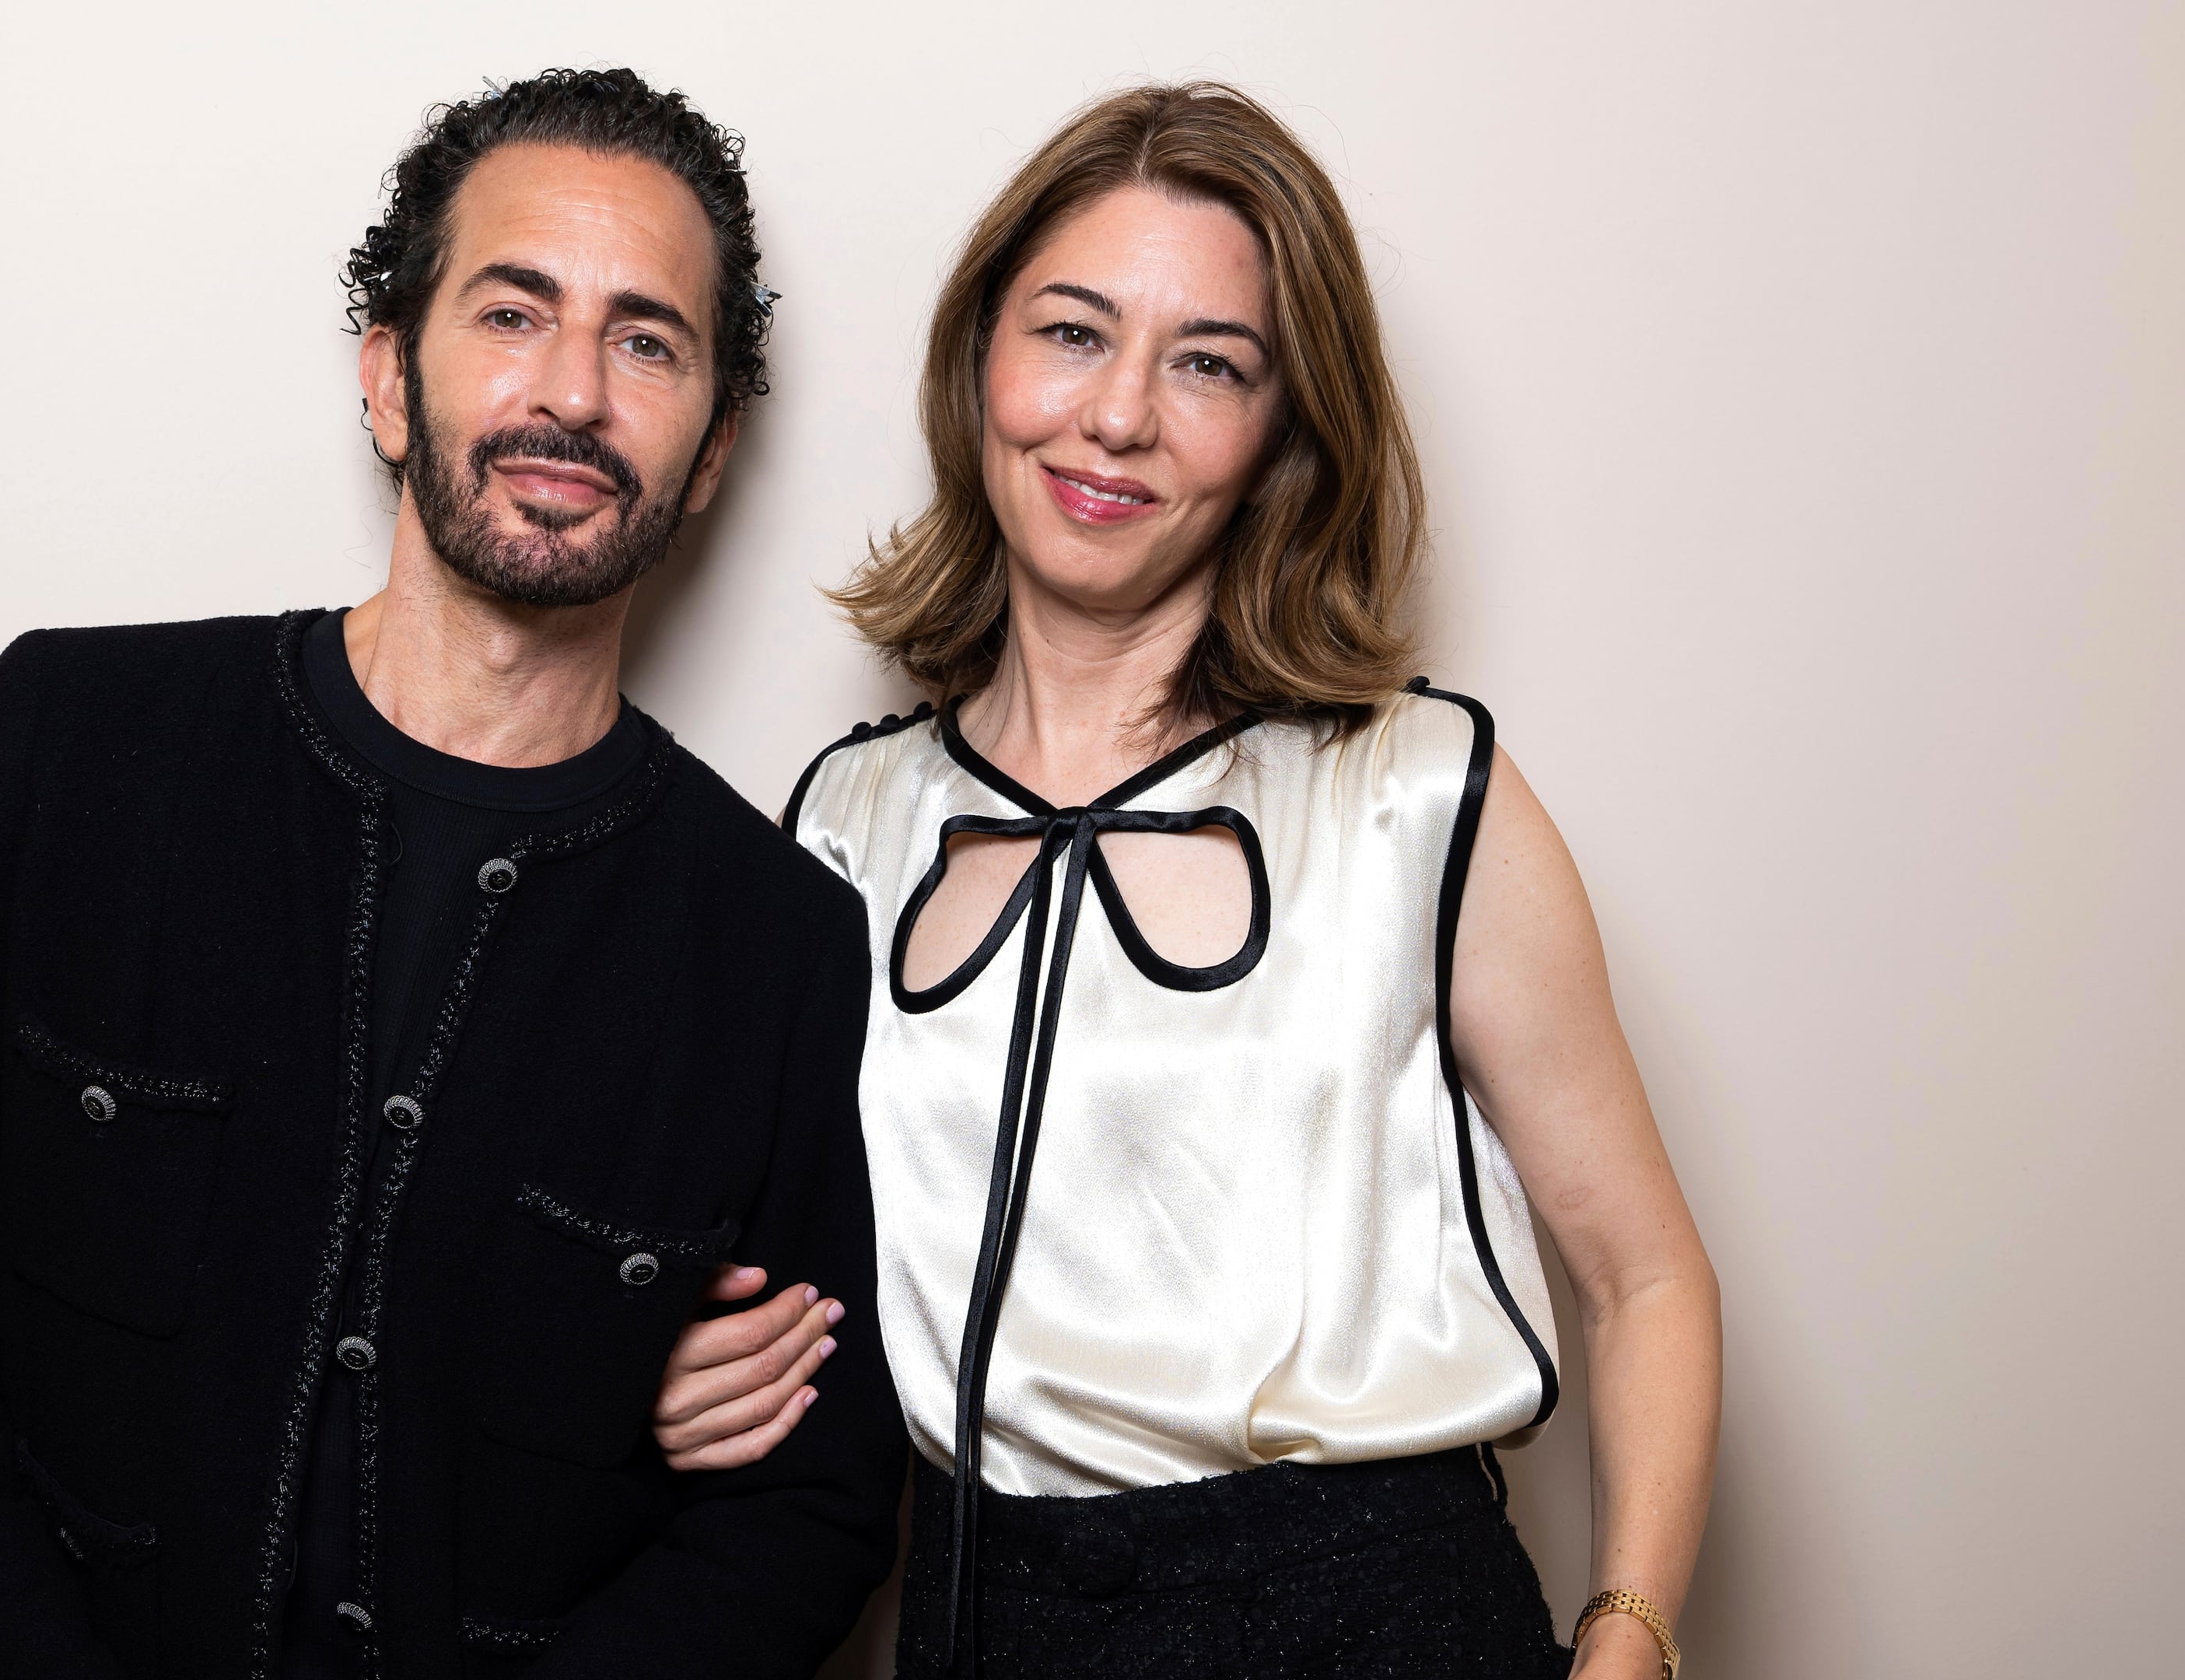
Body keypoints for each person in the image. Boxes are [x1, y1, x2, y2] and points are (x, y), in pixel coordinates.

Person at [0, 68, 905, 1680]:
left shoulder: (778, 938)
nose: (574, 394)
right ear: (390, 380)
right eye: (513, 312)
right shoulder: (68, 743)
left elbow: (807, 1510)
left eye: (647, 342)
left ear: (714, 449)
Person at [652, 84, 1722, 1679]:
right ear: (980, 363)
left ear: (1286, 430)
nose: (1118, 417)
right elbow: (795, 1291)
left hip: (1378, 1617)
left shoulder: (1419, 796)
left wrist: (1627, 1643)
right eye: (1073, 333)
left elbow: (1645, 1280)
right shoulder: (842, 825)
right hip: (974, 1620)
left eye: (1208, 363)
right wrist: (681, 1372)